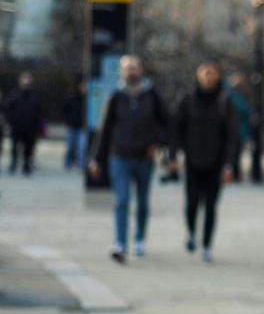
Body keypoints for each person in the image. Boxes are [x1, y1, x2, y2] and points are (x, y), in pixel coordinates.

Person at [88, 55, 169, 264]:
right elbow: (104, 129)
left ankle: (140, 238)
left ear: (141, 70)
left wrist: (158, 144)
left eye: (134, 68)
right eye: (127, 68)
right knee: (122, 200)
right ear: (122, 72)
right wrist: (96, 158)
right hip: (120, 156)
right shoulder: (115, 96)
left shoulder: (152, 96)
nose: (131, 72)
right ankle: (120, 243)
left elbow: (166, 124)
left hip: (144, 157)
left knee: (142, 201)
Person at [168, 60, 238, 263]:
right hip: (192, 162)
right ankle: (191, 232)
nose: (209, 77)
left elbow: (232, 136)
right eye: (205, 73)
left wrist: (229, 165)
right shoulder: (188, 100)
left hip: (216, 164)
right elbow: (175, 130)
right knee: (191, 204)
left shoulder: (224, 101)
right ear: (198, 76)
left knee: (210, 206)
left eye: (212, 73)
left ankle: (207, 245)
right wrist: (172, 156)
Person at [4, 72, 43, 176]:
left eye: (28, 80)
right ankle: (13, 164)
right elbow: (7, 109)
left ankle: (26, 166)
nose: (26, 82)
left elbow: (39, 112)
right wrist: (11, 120)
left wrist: (37, 125)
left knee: (28, 149)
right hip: (16, 127)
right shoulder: (14, 94)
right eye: (24, 80)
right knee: (14, 148)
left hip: (29, 127)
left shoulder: (35, 96)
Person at [223, 71, 251, 182]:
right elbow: (243, 109)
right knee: (232, 154)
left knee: (235, 154)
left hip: (238, 131)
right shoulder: (230, 92)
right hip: (234, 130)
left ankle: (233, 174)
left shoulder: (234, 92)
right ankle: (232, 174)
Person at [63, 75, 88, 171]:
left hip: (83, 126)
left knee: (82, 147)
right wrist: (68, 120)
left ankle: (81, 164)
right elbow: (65, 110)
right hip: (72, 125)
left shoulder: (88, 99)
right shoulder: (72, 97)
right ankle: (68, 162)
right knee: (71, 146)